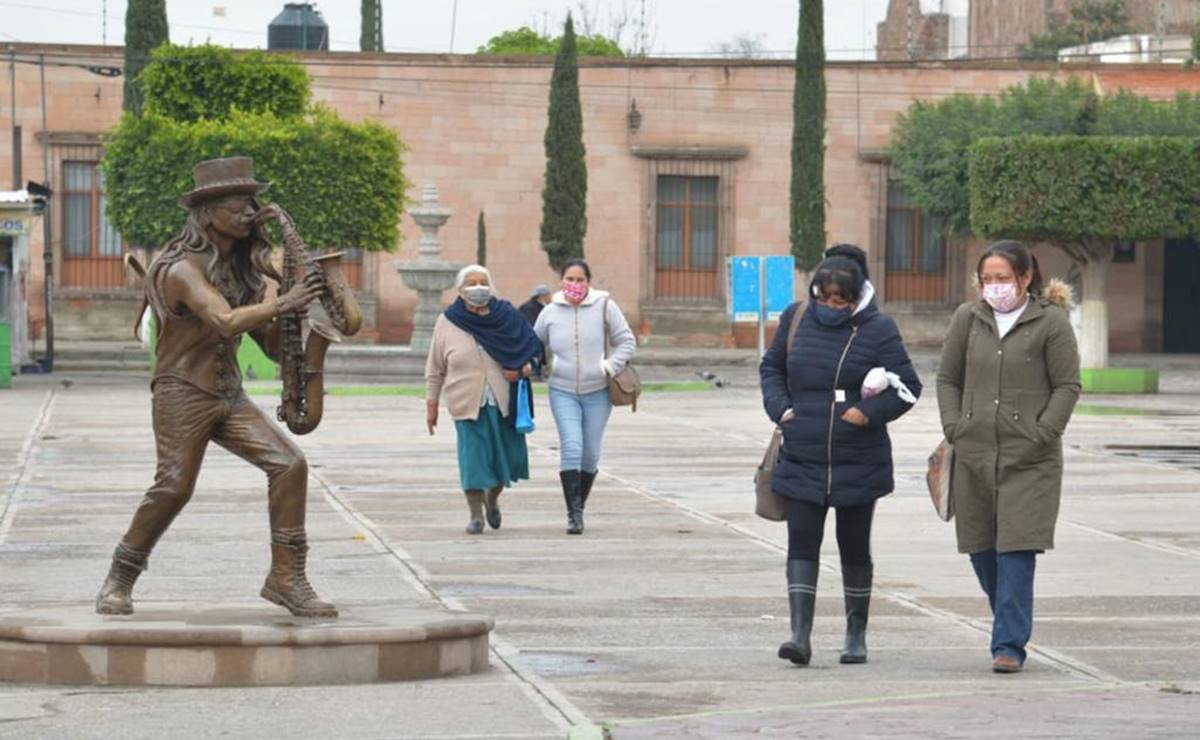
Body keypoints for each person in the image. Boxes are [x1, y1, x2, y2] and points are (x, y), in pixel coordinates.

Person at [95, 157, 335, 618]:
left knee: (290, 465)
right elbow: (224, 321)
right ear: (207, 214)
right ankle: (119, 577)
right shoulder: (181, 268)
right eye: (238, 204)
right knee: (173, 487)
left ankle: (286, 578)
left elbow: (266, 348)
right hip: (181, 391)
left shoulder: (241, 269)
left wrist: (298, 319)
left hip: (228, 394)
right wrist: (284, 301)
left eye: (252, 203)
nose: (250, 212)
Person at [759, 253, 921, 666]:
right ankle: (799, 635)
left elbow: (907, 388)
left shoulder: (879, 328)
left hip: (858, 455)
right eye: (824, 298)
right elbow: (771, 368)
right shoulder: (795, 318)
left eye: (840, 301)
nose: (831, 307)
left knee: (853, 545)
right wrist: (782, 410)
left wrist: (868, 412)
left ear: (857, 297)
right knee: (802, 543)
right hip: (802, 449)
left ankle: (855, 634)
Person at [936, 240, 1080, 674]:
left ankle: (1009, 645)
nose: (995, 288)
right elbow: (947, 378)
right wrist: (954, 426)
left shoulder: (1050, 322)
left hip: (1029, 459)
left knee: (1016, 548)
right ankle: (1008, 617)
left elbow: (1067, 386)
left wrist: (1044, 431)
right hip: (974, 453)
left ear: (1025, 278)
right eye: (988, 280)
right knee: (981, 548)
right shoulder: (968, 318)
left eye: (1003, 279)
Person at [426, 265, 543, 534]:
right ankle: (475, 514)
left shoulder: (507, 315)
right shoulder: (448, 321)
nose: (477, 287)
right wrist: (431, 406)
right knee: (473, 460)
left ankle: (493, 498)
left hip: (504, 401)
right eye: (471, 283)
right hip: (466, 402)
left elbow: (531, 350)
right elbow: (435, 368)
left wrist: (523, 368)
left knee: (503, 460)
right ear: (460, 289)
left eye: (482, 282)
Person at [534, 259, 635, 535]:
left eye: (580, 280)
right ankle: (573, 514)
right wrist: (538, 365)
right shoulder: (550, 312)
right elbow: (534, 343)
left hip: (598, 392)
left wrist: (609, 366)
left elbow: (627, 341)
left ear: (588, 282)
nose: (575, 285)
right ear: (561, 281)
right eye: (570, 279)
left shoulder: (605, 307)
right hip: (562, 389)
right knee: (572, 446)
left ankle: (579, 504)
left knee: (590, 453)